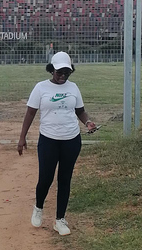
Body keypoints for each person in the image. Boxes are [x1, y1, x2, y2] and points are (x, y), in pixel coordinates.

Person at [17, 51, 98, 236]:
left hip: (71, 140)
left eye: (66, 73)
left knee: (65, 179)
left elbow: (80, 111)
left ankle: (60, 220)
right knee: (45, 178)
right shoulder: (40, 88)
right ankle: (38, 207)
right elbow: (30, 113)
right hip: (48, 140)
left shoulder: (73, 88)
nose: (62, 76)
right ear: (51, 70)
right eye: (59, 72)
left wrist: (88, 122)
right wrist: (22, 138)